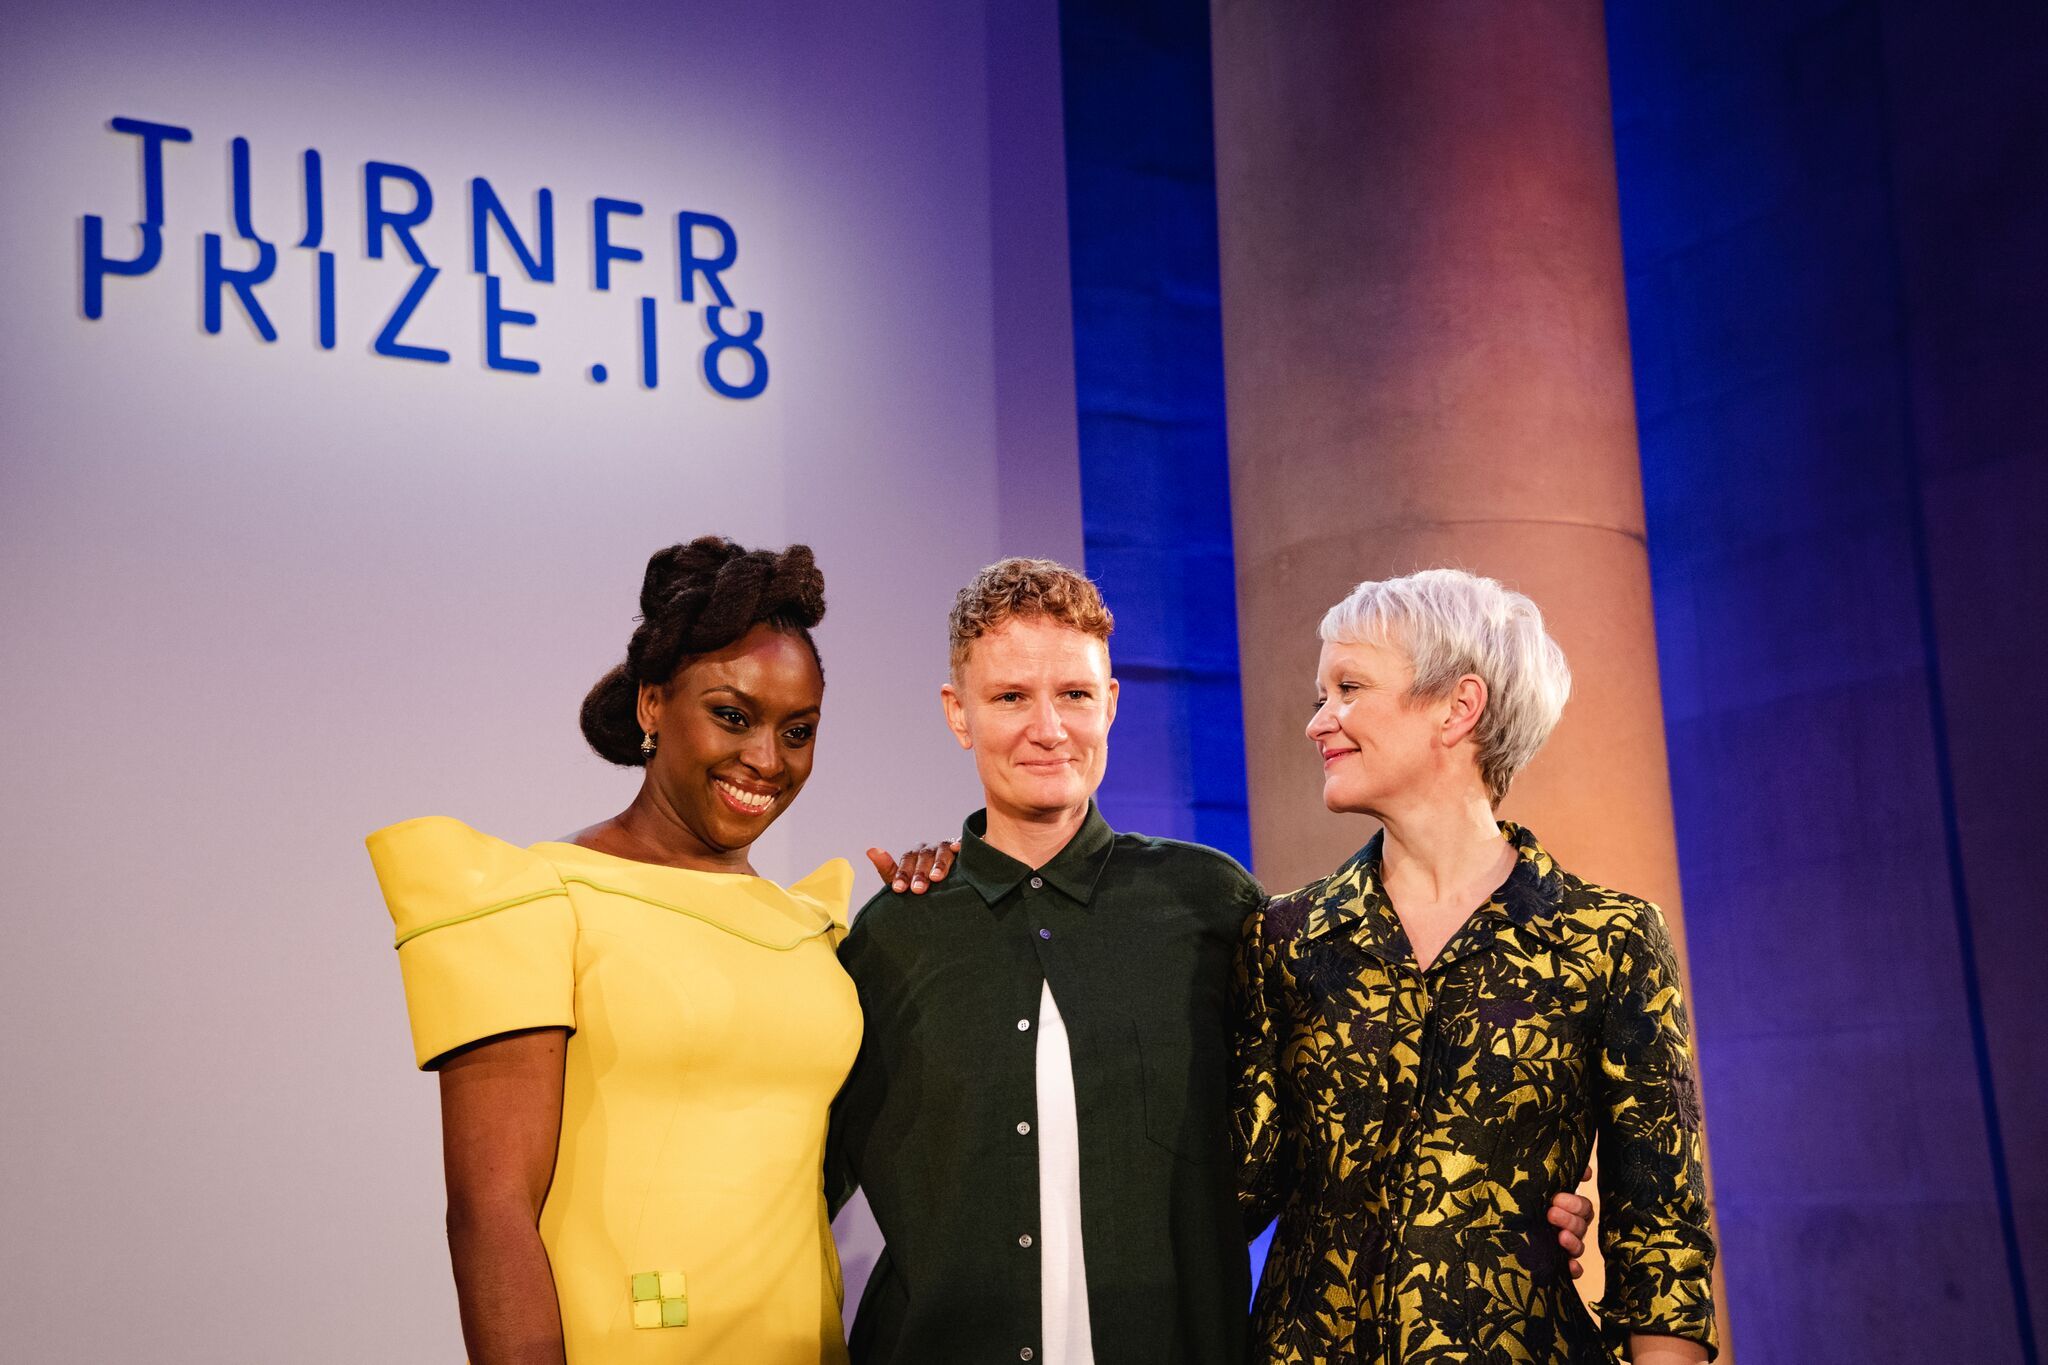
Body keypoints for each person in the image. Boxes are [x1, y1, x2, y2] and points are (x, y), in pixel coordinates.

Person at [833, 559, 1595, 1365]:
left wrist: (1513, 1189)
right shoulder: (894, 934)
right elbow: (800, 1178)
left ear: (1111, 703)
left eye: (1076, 694)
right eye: (1011, 697)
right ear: (959, 713)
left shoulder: (1213, 903)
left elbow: (1342, 1116)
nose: (1048, 727)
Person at [366, 537, 860, 1365]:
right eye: (732, 716)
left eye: (798, 730)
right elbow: (491, 1211)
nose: (766, 759)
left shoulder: (812, 930)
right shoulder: (537, 900)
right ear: (653, 705)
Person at [1235, 568, 1717, 1364]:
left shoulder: (1611, 938)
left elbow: (1663, 1242)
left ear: (1458, 707)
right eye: (1322, 695)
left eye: (1348, 687)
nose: (1319, 721)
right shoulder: (1284, 938)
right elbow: (1228, 1192)